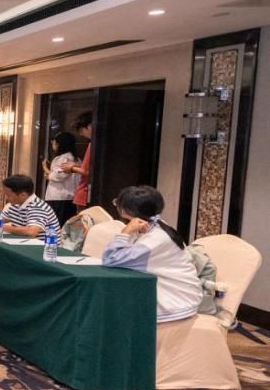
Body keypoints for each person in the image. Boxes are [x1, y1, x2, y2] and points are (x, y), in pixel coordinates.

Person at [102, 186, 200, 323]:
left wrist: (125, 232)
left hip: (175, 301)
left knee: (107, 309)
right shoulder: (153, 226)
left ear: (126, 211)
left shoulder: (155, 239)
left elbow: (111, 259)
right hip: (172, 293)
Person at [0, 174, 59, 239]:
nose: (6, 198)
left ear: (23, 195)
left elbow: (31, 232)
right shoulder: (16, 204)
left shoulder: (38, 207)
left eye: (8, 195)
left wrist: (1, 227)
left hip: (43, 249)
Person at [41, 132, 79, 223]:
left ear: (59, 144)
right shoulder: (75, 158)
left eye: (54, 142)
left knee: (56, 225)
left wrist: (45, 168)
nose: (53, 143)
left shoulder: (64, 158)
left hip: (60, 197)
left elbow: (58, 176)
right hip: (66, 197)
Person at [62, 111, 94, 211]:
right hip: (85, 193)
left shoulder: (92, 144)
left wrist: (72, 168)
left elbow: (87, 171)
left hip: (84, 193)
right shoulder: (97, 144)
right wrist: (77, 165)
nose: (81, 134)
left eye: (81, 130)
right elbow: (90, 167)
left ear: (89, 127)